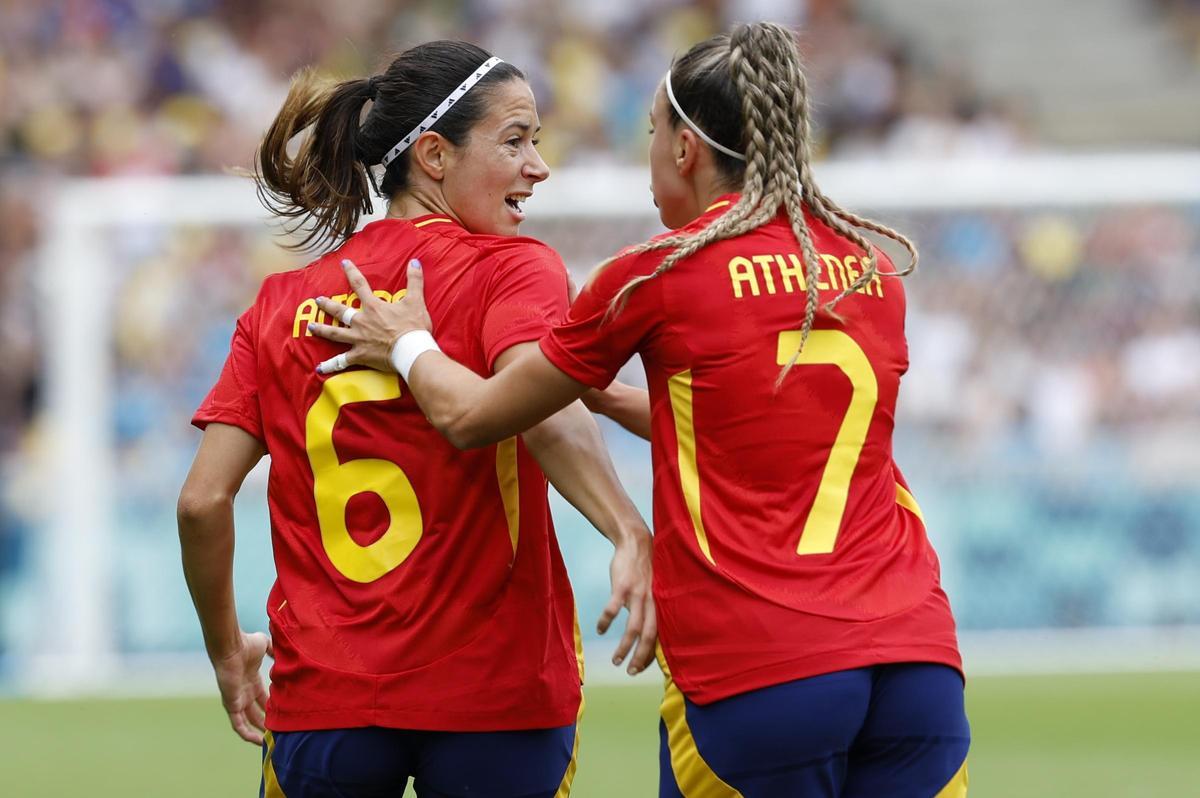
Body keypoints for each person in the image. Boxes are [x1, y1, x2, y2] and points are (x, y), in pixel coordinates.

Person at [309, 22, 970, 798]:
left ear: (684, 149)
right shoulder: (867, 269)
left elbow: (473, 416)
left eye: (652, 131)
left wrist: (409, 344)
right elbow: (740, 420)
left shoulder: (656, 276)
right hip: (917, 663)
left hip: (761, 665)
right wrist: (585, 385)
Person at [176, 40, 656, 798]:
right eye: (515, 141)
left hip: (325, 696)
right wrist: (627, 528)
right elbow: (547, 417)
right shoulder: (511, 268)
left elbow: (202, 501)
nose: (539, 167)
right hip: (494, 692)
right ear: (433, 154)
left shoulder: (279, 304)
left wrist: (226, 652)